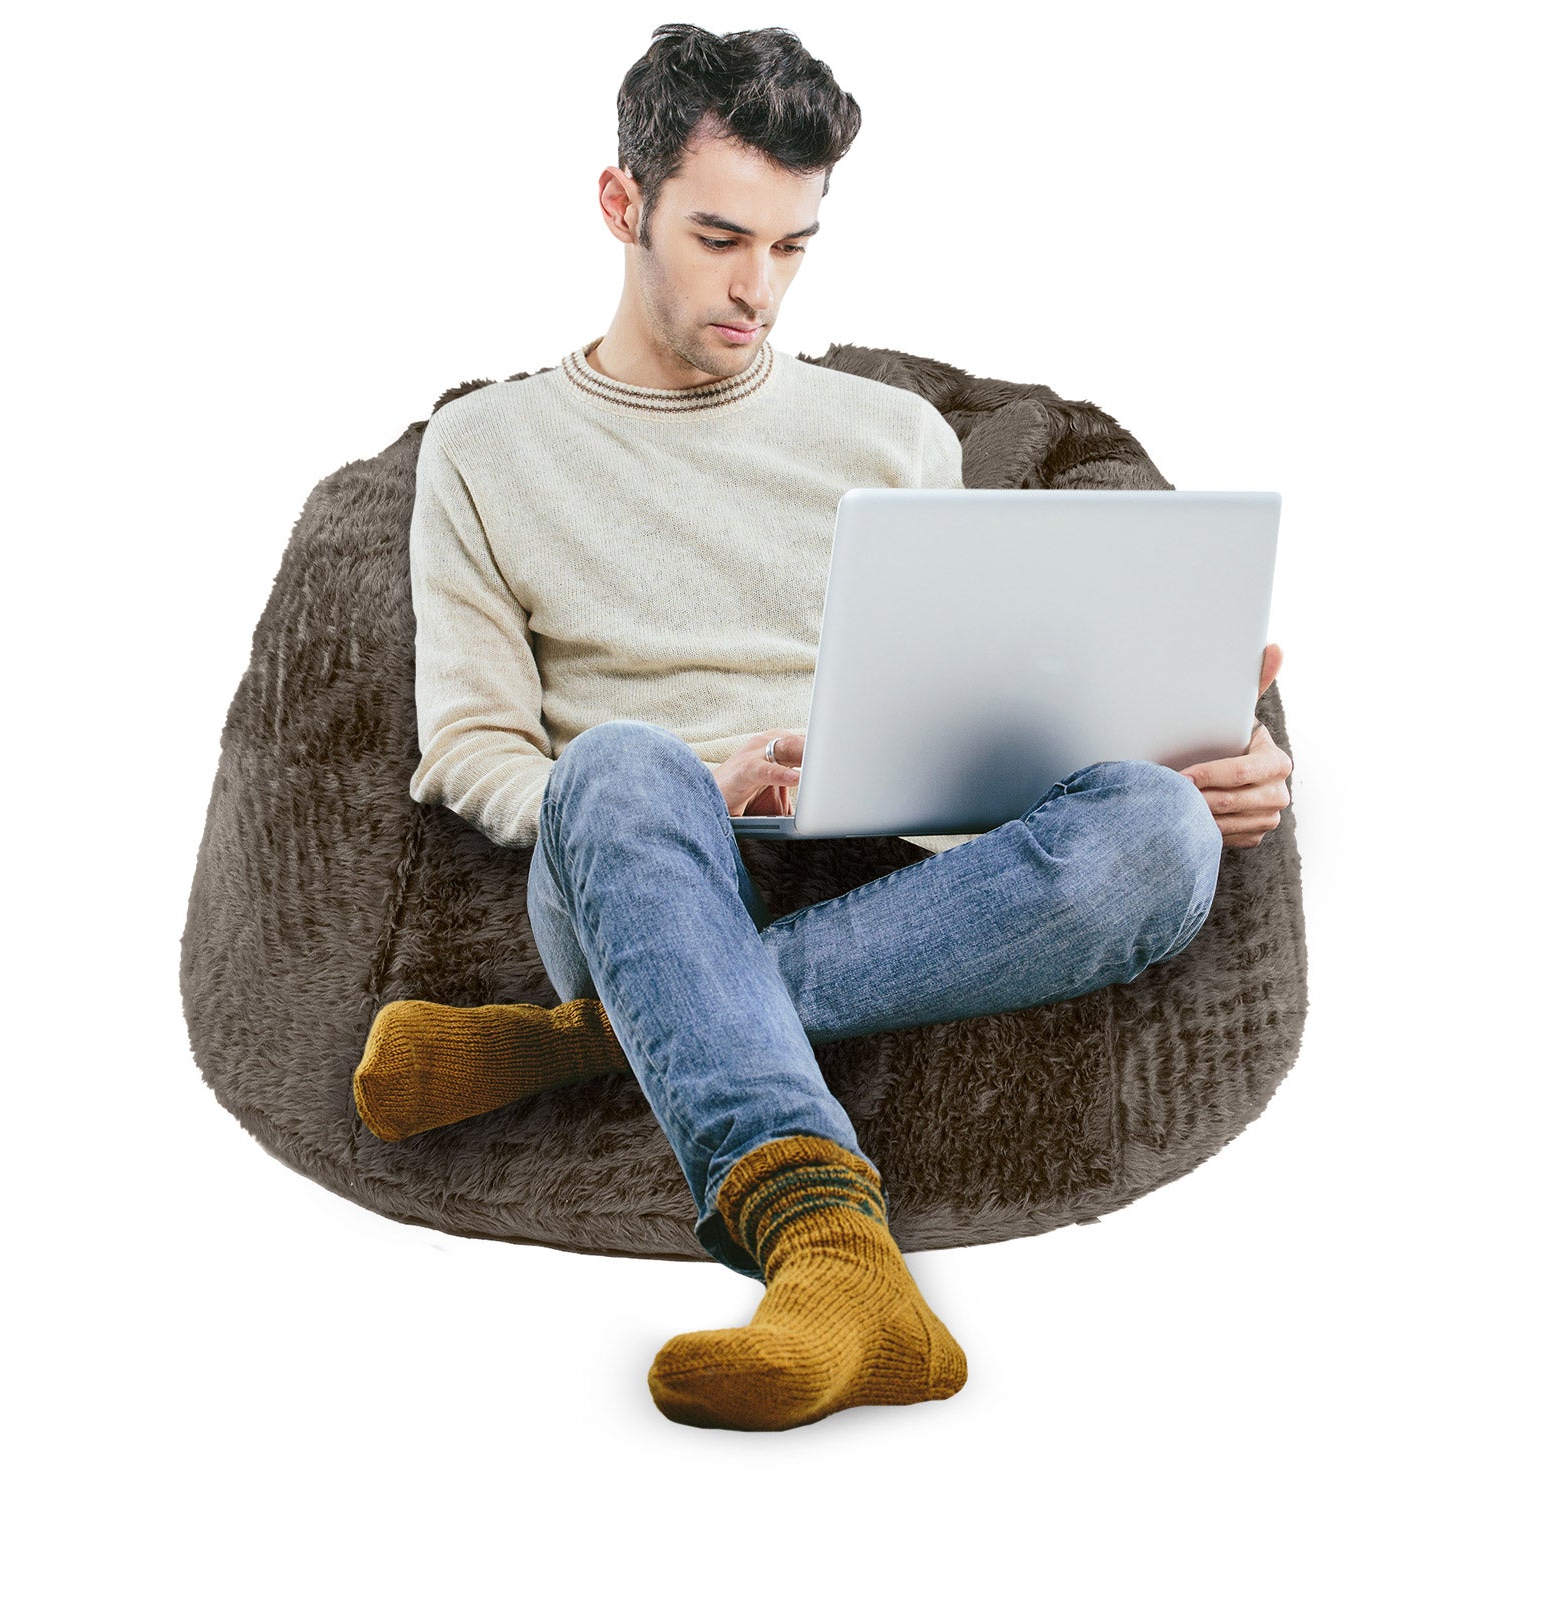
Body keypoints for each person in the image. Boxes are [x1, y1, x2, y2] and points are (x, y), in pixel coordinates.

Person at [351, 23, 1294, 1432]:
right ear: (621, 204)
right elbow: (470, 745)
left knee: (1157, 831)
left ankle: (591, 1041)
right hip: (643, 863)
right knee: (620, 761)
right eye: (720, 238)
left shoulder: (891, 433)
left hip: (897, 860)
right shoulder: (484, 449)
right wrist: (696, 777)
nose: (758, 288)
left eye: (793, 246)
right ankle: (828, 1249)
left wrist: (1185, 741)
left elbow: (979, 700)